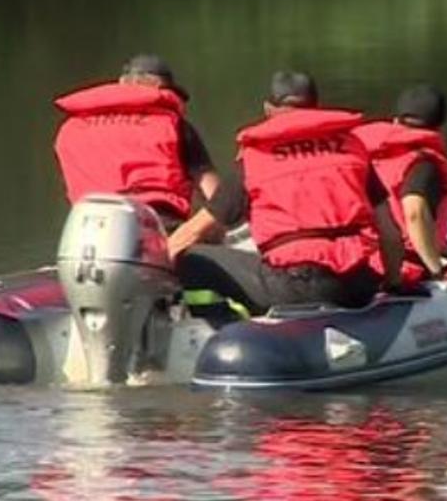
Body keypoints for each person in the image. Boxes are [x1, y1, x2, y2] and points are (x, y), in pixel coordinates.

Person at [166, 71, 405, 315]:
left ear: (268, 109)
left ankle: (214, 325)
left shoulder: (255, 159)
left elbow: (194, 231)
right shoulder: (353, 148)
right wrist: (393, 284)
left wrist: (160, 256)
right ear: (316, 106)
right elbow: (390, 233)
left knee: (194, 258)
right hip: (358, 285)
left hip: (294, 287)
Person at [52, 54, 219, 228]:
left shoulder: (70, 128)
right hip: (156, 221)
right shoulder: (172, 125)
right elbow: (214, 195)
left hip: (88, 226)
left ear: (122, 83)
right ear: (159, 87)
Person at [353, 85, 447, 286]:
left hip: (357, 262)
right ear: (442, 127)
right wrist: (437, 271)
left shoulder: (359, 156)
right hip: (400, 269)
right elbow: (414, 214)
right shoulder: (424, 165)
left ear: (395, 121)